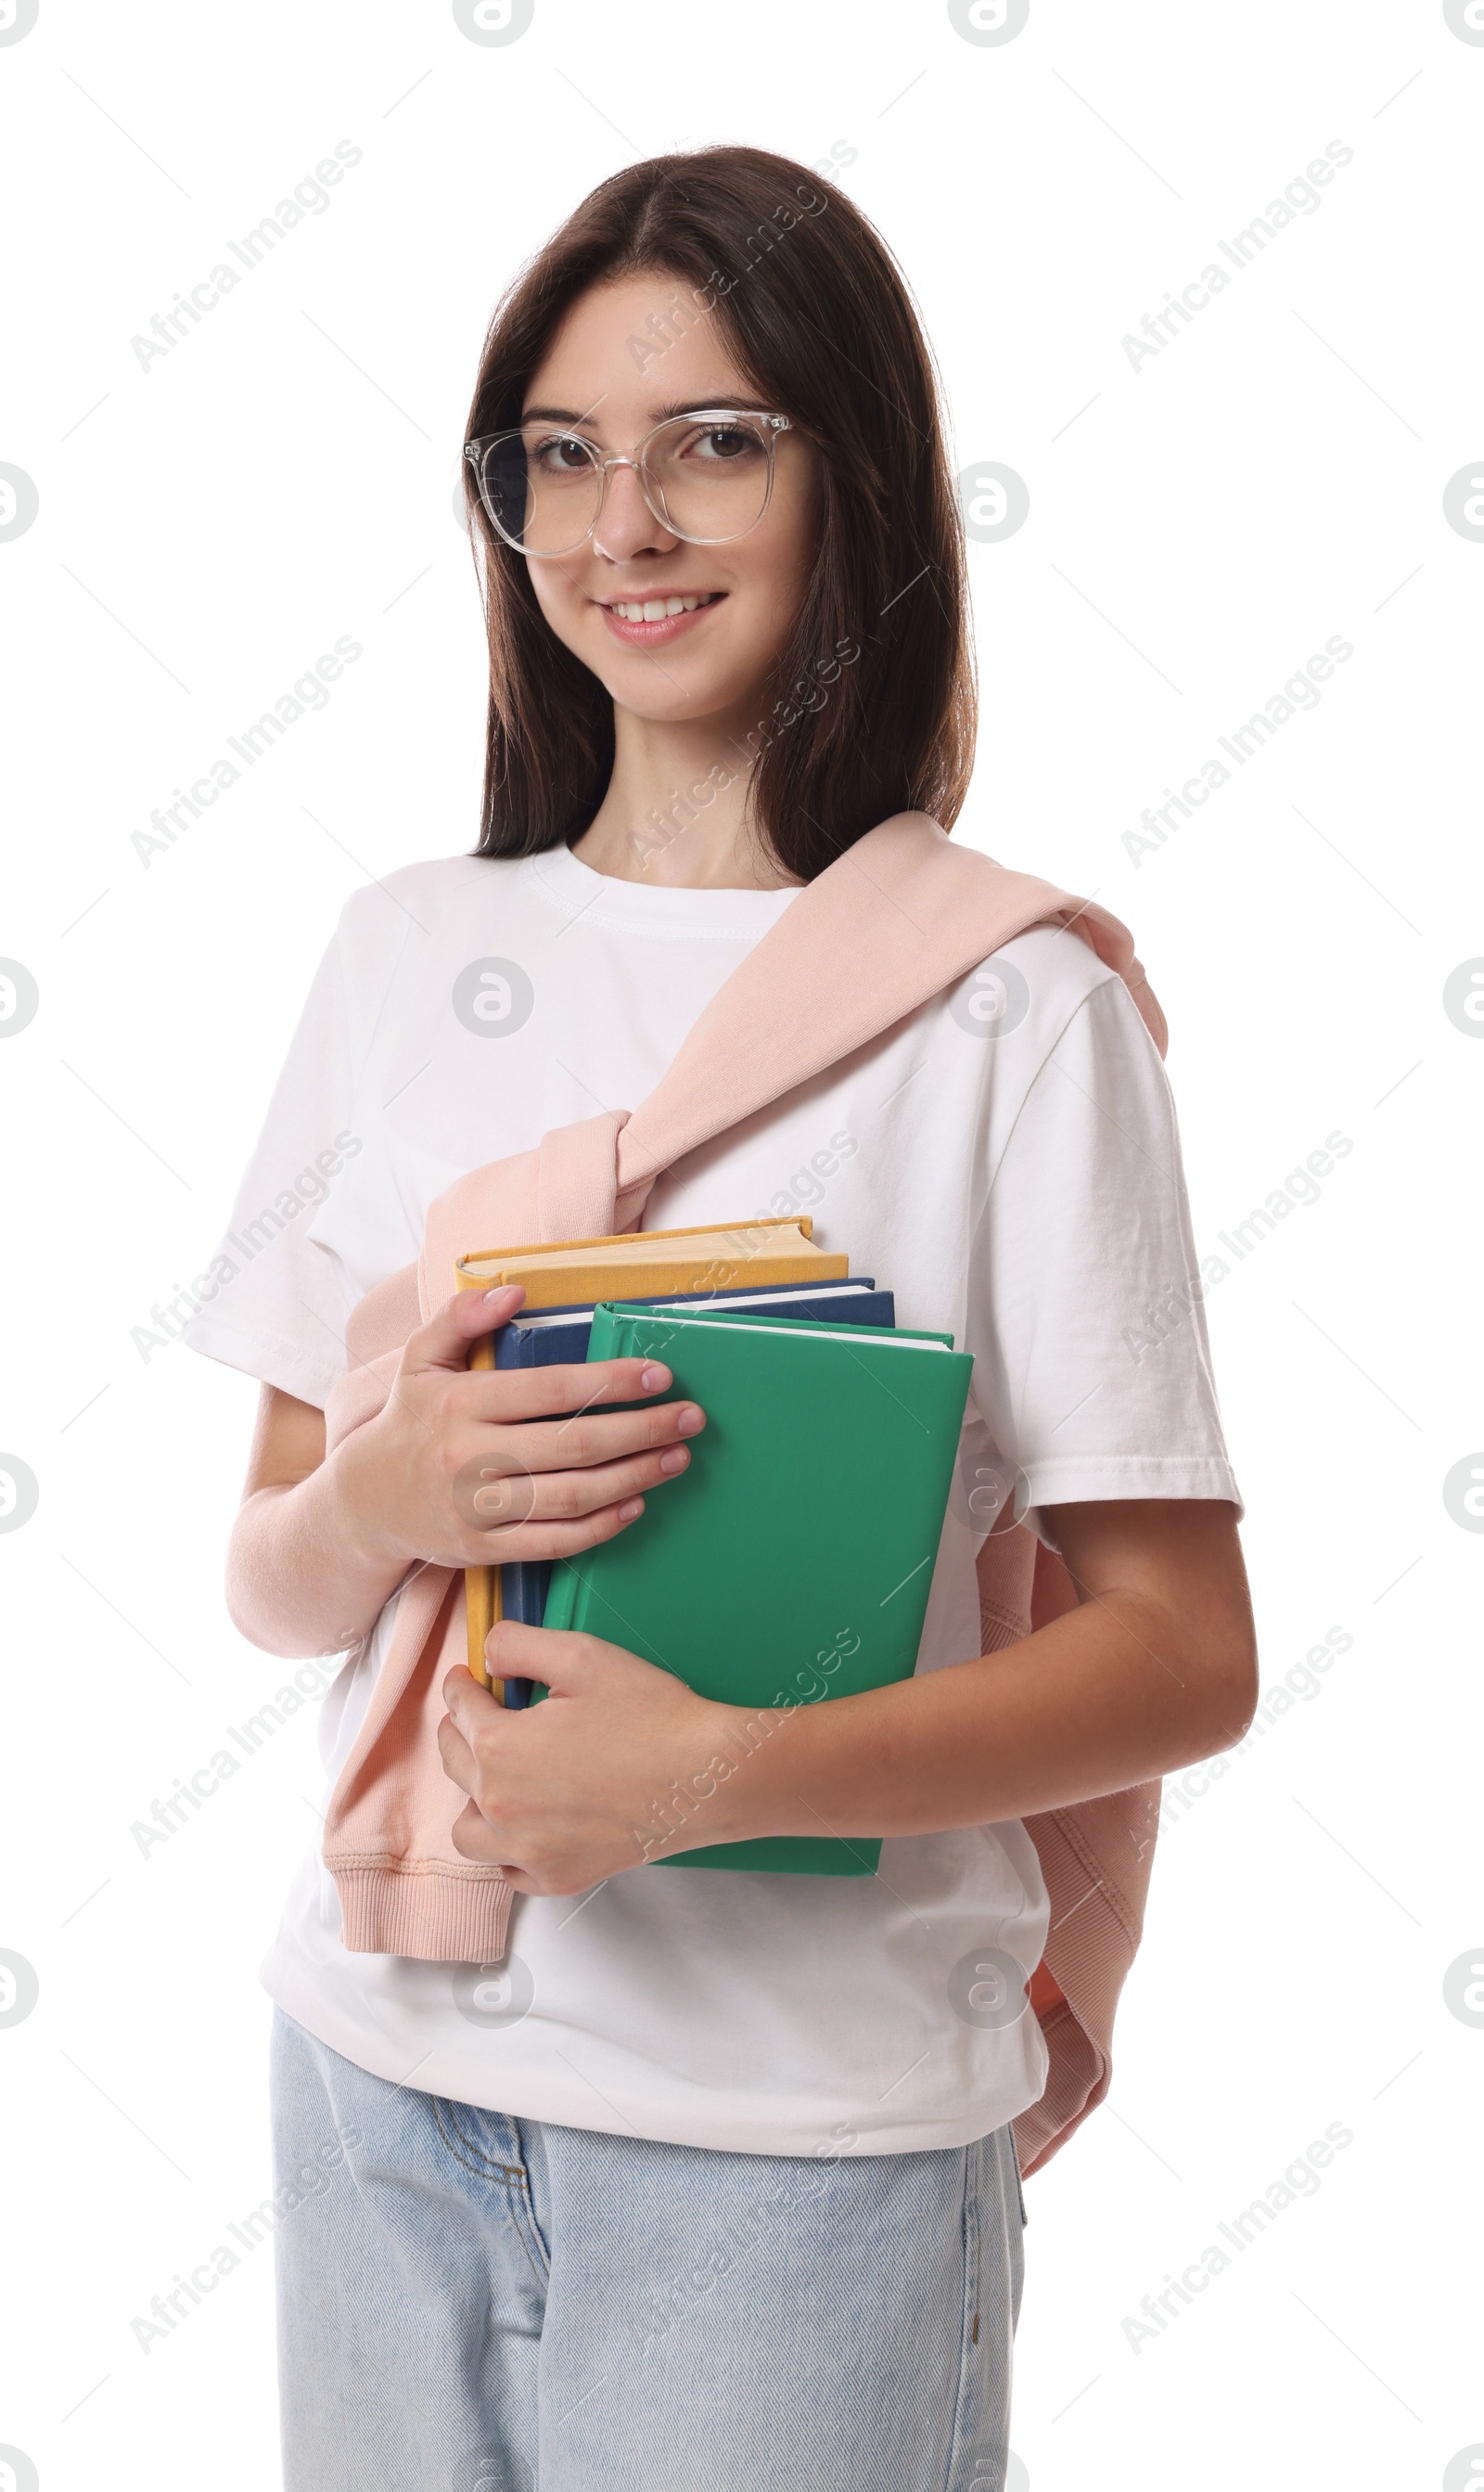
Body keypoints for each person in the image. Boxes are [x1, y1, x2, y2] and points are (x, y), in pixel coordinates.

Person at [184, 145, 1256, 2492]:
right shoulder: (396, 949)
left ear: (849, 474)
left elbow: (1183, 1651)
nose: (621, 522)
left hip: (801, 2137)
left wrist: (716, 1778)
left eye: (713, 442)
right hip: (377, 2075)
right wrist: (378, 1487)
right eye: (557, 454)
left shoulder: (1007, 1007)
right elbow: (270, 1575)